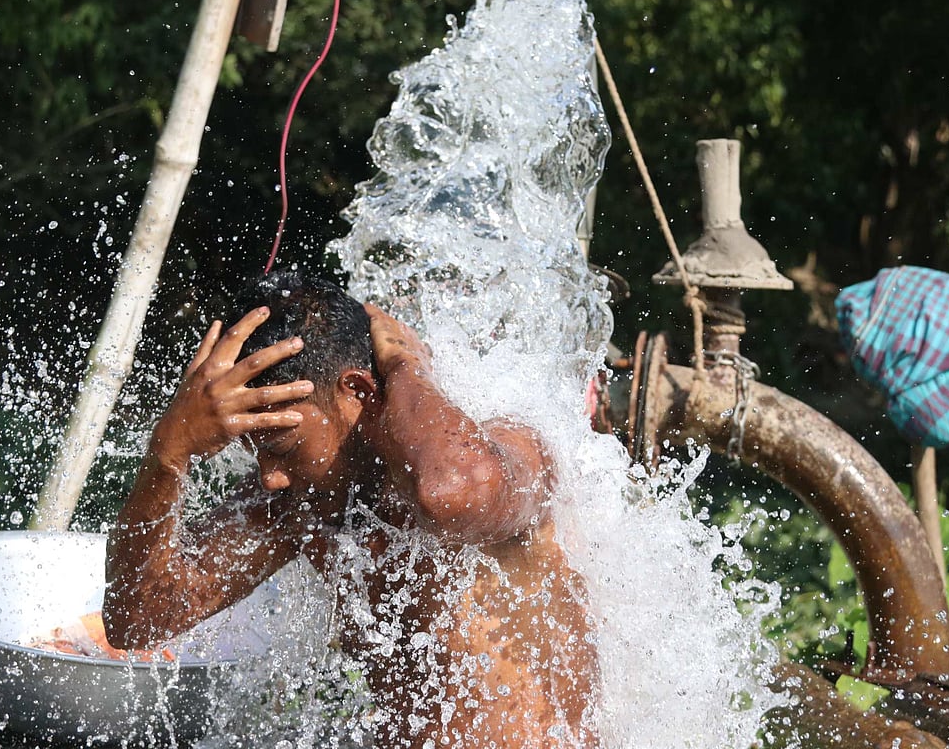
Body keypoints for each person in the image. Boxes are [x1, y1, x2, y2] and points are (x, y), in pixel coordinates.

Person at [103, 269, 600, 749]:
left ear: (358, 392)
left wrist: (407, 367)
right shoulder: (302, 502)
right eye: (254, 451)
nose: (270, 476)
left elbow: (452, 495)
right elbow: (136, 620)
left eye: (280, 443)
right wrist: (167, 455)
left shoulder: (509, 446)